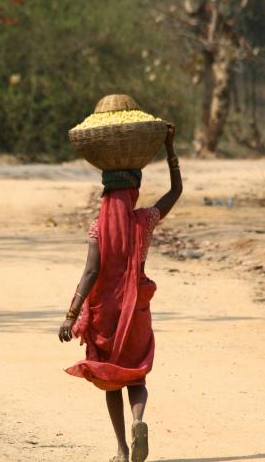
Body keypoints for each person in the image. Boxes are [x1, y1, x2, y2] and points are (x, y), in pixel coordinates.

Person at [58, 124, 182, 462]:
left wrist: (72, 315)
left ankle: (121, 450)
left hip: (105, 314)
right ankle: (138, 420)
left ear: (106, 195)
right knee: (136, 373)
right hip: (137, 309)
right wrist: (170, 149)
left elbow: (90, 272)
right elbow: (175, 191)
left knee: (110, 379)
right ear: (135, 190)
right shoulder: (145, 221)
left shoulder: (98, 228)